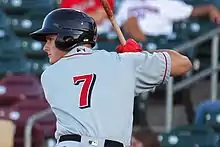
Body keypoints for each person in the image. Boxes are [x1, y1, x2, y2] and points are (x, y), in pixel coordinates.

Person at [30, 8, 192, 147]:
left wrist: (131, 60)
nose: (45, 47)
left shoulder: (50, 75)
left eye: (50, 39)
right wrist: (140, 55)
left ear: (67, 37)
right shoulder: (123, 63)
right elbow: (183, 63)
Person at [115, 0, 220, 42]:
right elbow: (115, 24)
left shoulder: (164, 2)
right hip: (128, 37)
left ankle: (143, 50)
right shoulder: (128, 2)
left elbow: (191, 11)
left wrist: (210, 9)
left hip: (156, 40)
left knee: (131, 21)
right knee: (130, 22)